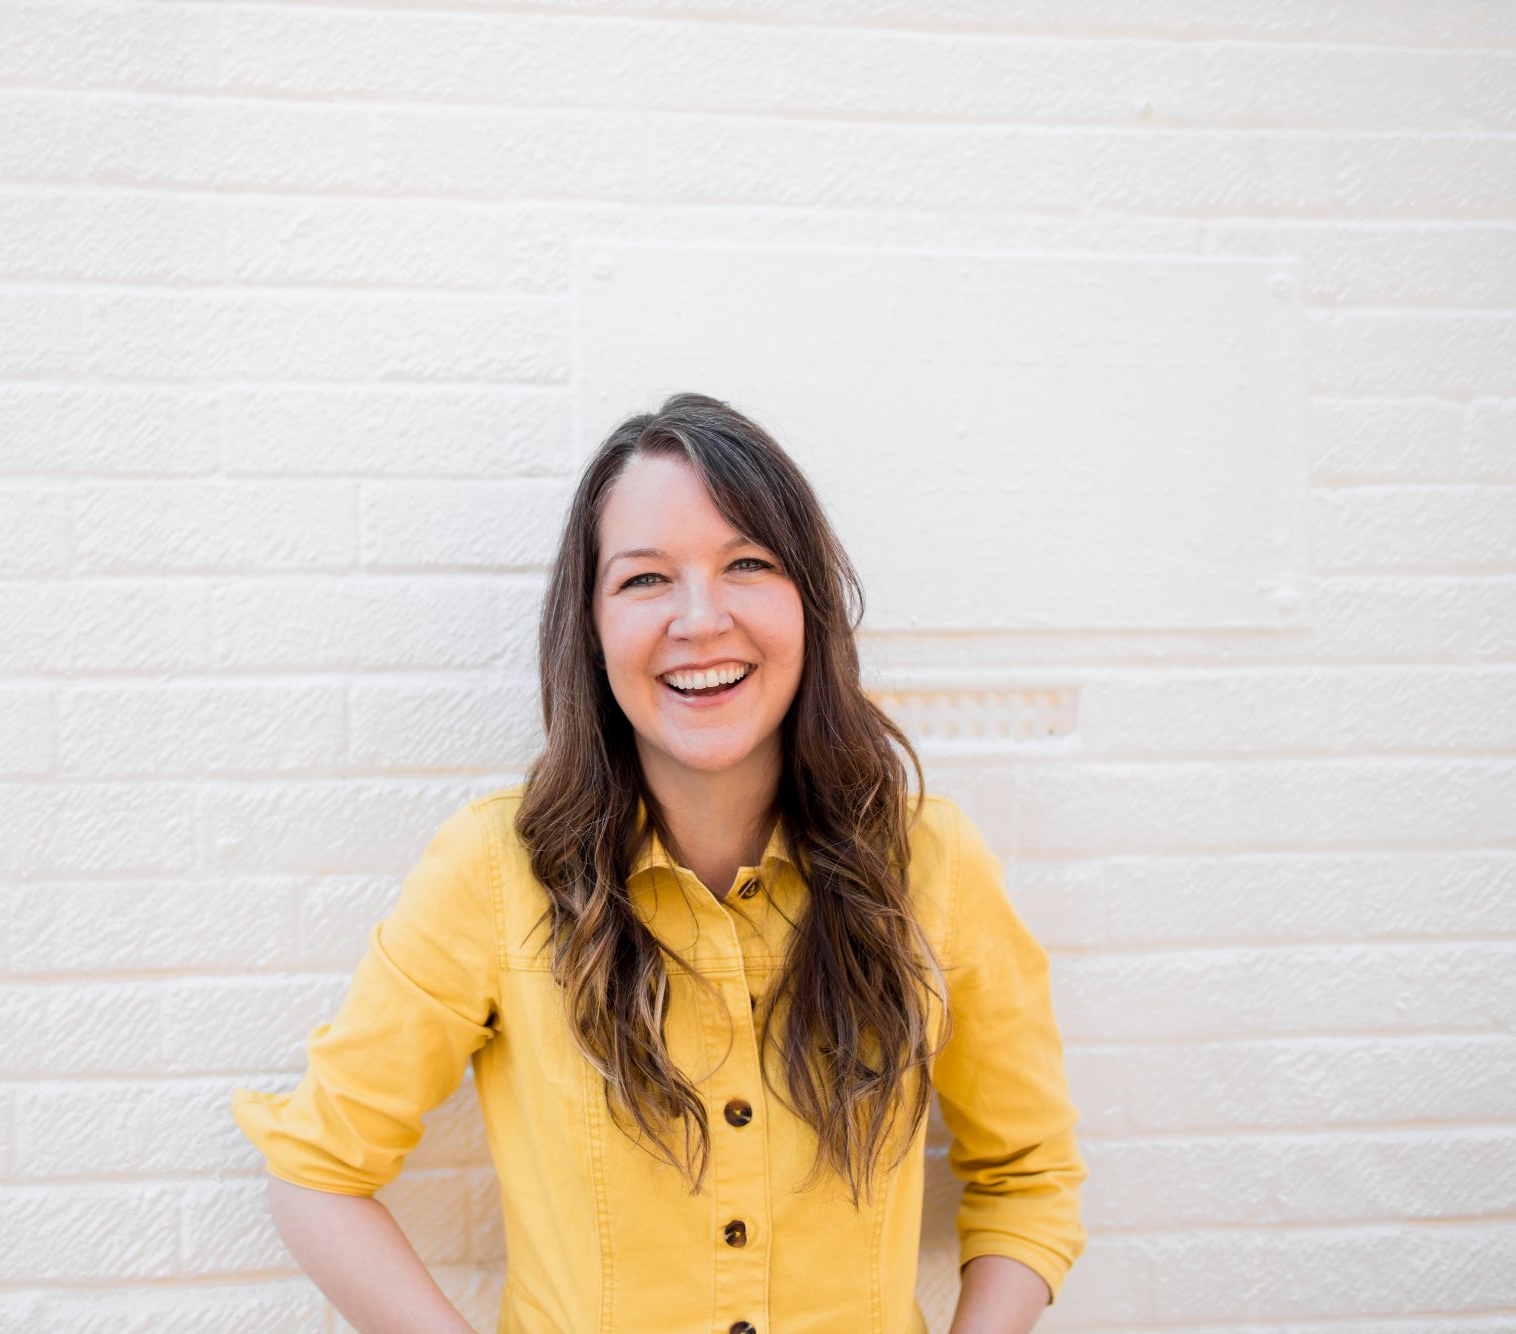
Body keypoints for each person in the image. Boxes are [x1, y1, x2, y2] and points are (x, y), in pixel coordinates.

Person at [231, 393, 1087, 1333]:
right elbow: (315, 1172)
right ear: (592, 630)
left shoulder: (934, 864)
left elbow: (1029, 1174)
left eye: (747, 564)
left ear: (809, 601)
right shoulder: (493, 869)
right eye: (645, 580)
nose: (700, 618)